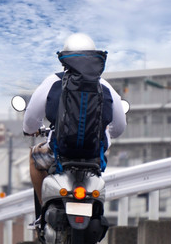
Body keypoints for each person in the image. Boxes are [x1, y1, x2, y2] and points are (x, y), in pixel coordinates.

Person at [23, 33, 127, 225]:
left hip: (59, 152)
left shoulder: (53, 81)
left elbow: (30, 120)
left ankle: (42, 214)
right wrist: (104, 135)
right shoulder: (105, 86)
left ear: (65, 59)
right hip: (93, 154)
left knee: (34, 157)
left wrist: (33, 129)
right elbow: (119, 126)